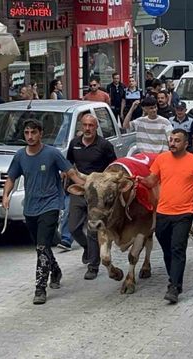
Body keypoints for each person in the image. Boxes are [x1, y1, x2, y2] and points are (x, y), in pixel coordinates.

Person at [2, 119, 85, 305]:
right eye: (27, 133)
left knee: (41, 247)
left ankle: (40, 288)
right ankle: (55, 270)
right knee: (42, 247)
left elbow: (71, 173)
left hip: (51, 205)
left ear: (41, 133)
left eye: (33, 133)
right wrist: (5, 195)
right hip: (30, 208)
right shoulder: (20, 156)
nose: (30, 137)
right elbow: (11, 177)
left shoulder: (52, 154)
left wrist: (87, 187)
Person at [139, 129, 193, 303]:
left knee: (177, 248)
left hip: (184, 213)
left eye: (177, 141)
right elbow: (151, 181)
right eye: (171, 140)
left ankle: (174, 286)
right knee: (167, 249)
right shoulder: (161, 159)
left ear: (186, 144)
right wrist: (139, 179)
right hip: (163, 212)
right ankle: (174, 279)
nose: (172, 143)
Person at [66, 114, 117, 279]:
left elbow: (114, 168)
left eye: (91, 126)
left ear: (96, 127)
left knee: (92, 229)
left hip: (97, 194)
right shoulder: (74, 144)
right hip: (80, 189)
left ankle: (93, 266)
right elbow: (69, 164)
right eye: (85, 125)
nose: (87, 129)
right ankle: (88, 248)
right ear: (81, 126)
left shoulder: (104, 145)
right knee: (73, 227)